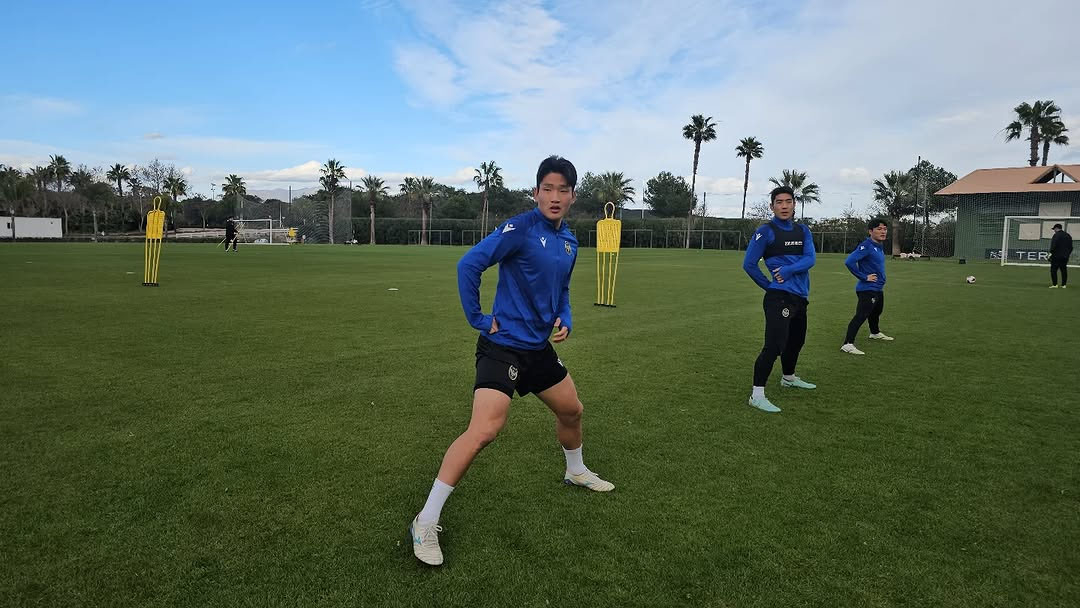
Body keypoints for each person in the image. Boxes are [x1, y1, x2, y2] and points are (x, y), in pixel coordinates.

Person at [409, 155, 614, 567]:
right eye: (548, 188)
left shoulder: (570, 241)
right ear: (536, 192)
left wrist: (567, 316)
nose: (555, 197)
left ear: (573, 196)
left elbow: (564, 289)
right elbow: (469, 264)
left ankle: (575, 470)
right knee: (485, 429)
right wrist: (478, 318)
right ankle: (425, 520)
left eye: (563, 190)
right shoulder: (520, 228)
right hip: (502, 345)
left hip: (538, 349)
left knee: (572, 410)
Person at [741, 186, 817, 413]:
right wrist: (770, 285)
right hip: (779, 298)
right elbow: (749, 264)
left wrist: (788, 270)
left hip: (800, 297)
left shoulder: (803, 231)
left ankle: (789, 378)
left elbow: (810, 259)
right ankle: (757, 394)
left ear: (795, 204)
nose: (784, 206)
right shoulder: (766, 231)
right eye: (779, 202)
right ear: (772, 206)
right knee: (774, 346)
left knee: (796, 342)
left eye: (788, 201)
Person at [841, 218, 893, 355]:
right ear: (871, 231)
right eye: (879, 229)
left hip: (877, 288)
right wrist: (864, 277)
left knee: (876, 312)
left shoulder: (879, 246)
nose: (883, 231)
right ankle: (847, 344)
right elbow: (849, 261)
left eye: (885, 229)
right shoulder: (867, 246)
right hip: (867, 289)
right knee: (861, 315)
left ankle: (874, 333)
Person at [1049, 223, 1073, 288]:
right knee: (1063, 270)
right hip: (1065, 256)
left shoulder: (1056, 235)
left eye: (1054, 229)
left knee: (1053, 270)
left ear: (1056, 228)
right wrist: (1067, 254)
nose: (1054, 230)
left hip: (1056, 256)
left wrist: (1050, 253)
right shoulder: (1068, 235)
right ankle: (1063, 285)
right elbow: (1071, 247)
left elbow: (1053, 245)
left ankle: (1055, 284)